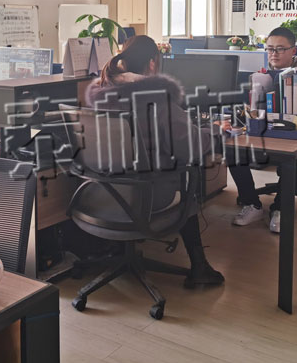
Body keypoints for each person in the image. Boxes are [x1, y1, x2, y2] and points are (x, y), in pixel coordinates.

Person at [84, 35, 224, 288]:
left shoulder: (99, 93)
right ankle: (200, 268)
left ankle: (116, 251)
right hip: (144, 196)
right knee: (187, 184)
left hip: (100, 193)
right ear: (152, 63)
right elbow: (189, 146)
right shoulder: (157, 98)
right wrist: (214, 130)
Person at [229, 27, 297, 233]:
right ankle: (252, 204)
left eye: (280, 49)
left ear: (294, 51)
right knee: (232, 151)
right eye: (270, 48)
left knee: (295, 157)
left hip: (292, 135)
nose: (274, 53)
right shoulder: (259, 76)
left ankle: (280, 209)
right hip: (260, 133)